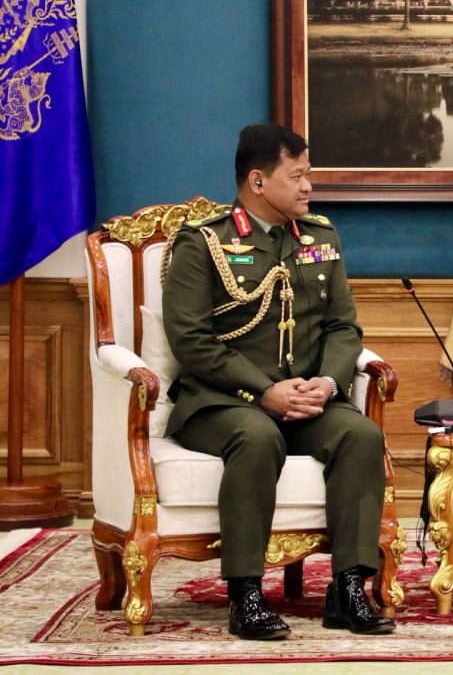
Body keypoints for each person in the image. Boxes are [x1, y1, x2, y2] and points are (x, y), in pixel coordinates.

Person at [162, 124, 394, 640]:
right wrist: (261, 391)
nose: (309, 186)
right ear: (258, 181)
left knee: (361, 435)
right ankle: (245, 595)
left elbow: (342, 327)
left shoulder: (320, 237)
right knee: (257, 435)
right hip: (222, 402)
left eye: (308, 174)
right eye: (298, 175)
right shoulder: (204, 243)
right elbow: (191, 341)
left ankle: (349, 589)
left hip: (305, 399)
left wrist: (328, 383)